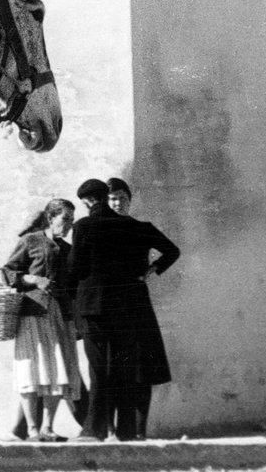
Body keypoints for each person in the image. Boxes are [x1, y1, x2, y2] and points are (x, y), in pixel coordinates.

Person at [69, 176, 180, 442]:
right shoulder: (137, 227)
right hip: (128, 306)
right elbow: (172, 251)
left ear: (88, 201)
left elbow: (75, 269)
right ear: (105, 198)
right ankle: (127, 431)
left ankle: (94, 430)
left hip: (94, 307)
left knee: (98, 369)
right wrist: (151, 270)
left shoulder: (84, 226)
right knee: (125, 369)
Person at [1, 198, 83, 441]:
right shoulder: (30, 241)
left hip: (60, 315)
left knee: (57, 371)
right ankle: (33, 430)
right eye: (64, 219)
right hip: (32, 313)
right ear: (51, 218)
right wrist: (34, 280)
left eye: (71, 220)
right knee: (32, 372)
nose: (68, 225)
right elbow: (7, 272)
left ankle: (48, 428)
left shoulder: (67, 250)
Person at [106, 177, 179, 439]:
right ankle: (113, 431)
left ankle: (139, 432)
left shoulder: (142, 228)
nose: (117, 203)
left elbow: (172, 251)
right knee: (111, 367)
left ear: (130, 201)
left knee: (141, 367)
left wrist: (151, 270)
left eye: (122, 198)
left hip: (136, 302)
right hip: (109, 302)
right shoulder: (97, 229)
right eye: (112, 199)